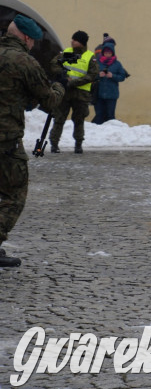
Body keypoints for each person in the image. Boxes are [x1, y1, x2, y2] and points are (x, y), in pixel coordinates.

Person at [0, 15, 65, 268]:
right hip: (5, 141)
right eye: (33, 41)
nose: (33, 46)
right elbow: (49, 101)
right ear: (26, 38)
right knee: (14, 194)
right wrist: (60, 85)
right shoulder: (24, 62)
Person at [48, 30, 99, 154]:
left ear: (81, 42)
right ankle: (54, 144)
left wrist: (73, 82)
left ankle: (78, 144)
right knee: (59, 117)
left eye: (75, 40)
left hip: (81, 93)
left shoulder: (89, 57)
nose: (72, 41)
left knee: (79, 119)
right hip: (65, 91)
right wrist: (62, 75)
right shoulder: (66, 53)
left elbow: (92, 75)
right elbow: (54, 64)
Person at [92, 41, 128, 124]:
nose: (107, 54)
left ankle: (109, 133)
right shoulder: (97, 62)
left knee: (110, 116)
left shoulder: (117, 64)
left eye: (109, 53)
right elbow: (90, 75)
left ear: (112, 53)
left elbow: (122, 77)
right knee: (99, 116)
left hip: (112, 94)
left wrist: (113, 76)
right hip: (99, 94)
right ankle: (97, 133)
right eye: (105, 52)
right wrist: (98, 75)